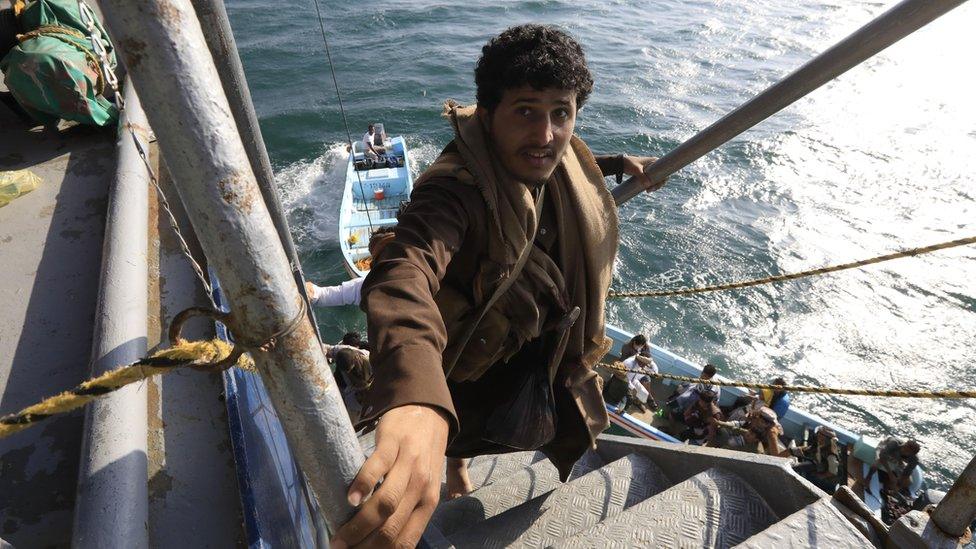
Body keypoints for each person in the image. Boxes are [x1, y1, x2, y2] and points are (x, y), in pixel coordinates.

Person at [333, 24, 665, 548]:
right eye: (526, 110)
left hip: (517, 337)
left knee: (485, 426)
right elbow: (404, 270)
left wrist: (618, 165)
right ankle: (451, 454)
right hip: (465, 347)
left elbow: (559, 166)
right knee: (460, 412)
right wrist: (417, 397)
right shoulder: (454, 191)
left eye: (562, 112)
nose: (546, 134)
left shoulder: (547, 157)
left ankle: (458, 465)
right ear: (487, 116)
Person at [304, 228, 395, 307]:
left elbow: (324, 296)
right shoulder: (368, 285)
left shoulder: (370, 285)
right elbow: (322, 295)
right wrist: (312, 292)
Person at [793, 426, 842, 493]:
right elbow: (810, 450)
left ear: (822, 437)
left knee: (806, 474)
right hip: (820, 467)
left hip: (828, 480)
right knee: (799, 467)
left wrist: (819, 476)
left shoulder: (831, 455)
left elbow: (832, 472)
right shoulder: (820, 445)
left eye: (818, 434)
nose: (816, 435)